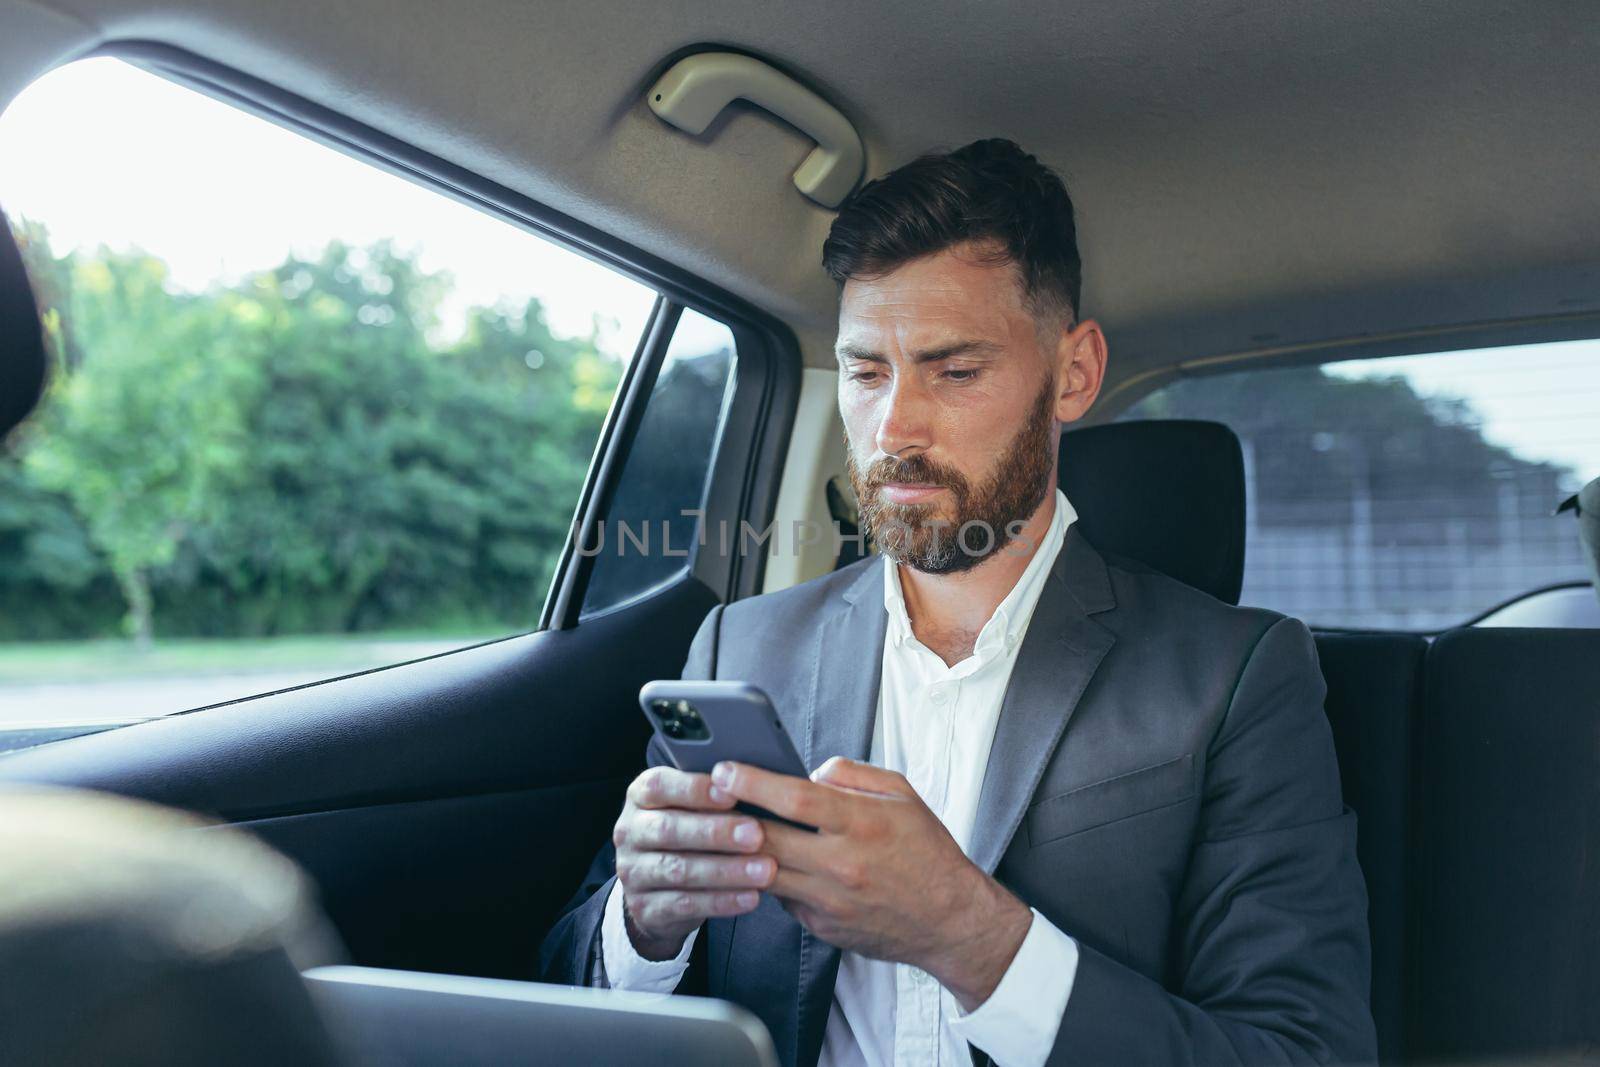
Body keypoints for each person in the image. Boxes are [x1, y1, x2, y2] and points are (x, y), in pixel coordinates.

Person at [541, 138, 1376, 1067]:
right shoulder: (740, 646)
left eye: (954, 369)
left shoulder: (1237, 676)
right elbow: (572, 987)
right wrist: (643, 927)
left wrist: (972, 937)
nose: (894, 426)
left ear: (1074, 372)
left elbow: (1307, 1052)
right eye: (865, 371)